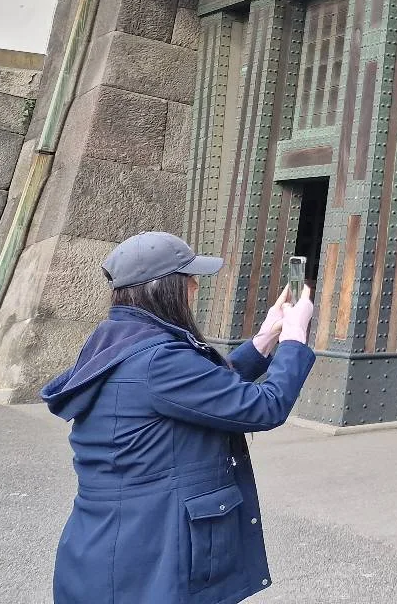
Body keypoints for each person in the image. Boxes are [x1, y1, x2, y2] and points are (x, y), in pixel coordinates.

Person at [41, 231, 316, 604]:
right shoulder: (159, 360)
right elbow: (263, 406)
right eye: (189, 279)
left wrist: (265, 338)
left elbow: (202, 390)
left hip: (110, 543)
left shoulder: (121, 339)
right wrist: (295, 338)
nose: (195, 288)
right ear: (163, 288)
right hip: (150, 553)